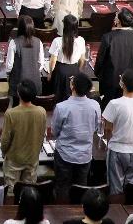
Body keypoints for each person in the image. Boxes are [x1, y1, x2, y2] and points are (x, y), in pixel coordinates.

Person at [50, 73, 102, 201]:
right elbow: (96, 127)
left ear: (72, 86)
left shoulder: (62, 107)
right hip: (85, 155)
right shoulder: (95, 105)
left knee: (62, 187)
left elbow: (54, 132)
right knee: (81, 188)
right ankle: (79, 210)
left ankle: (62, 210)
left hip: (64, 154)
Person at [1, 81, 48, 189]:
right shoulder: (41, 112)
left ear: (18, 93)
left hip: (14, 159)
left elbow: (5, 140)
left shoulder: (11, 113)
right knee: (29, 191)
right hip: (32, 158)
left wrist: (4, 152)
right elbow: (42, 134)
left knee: (11, 192)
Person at [97, 7, 133, 102]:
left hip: (109, 81)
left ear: (118, 21)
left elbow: (100, 61)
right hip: (128, 81)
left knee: (107, 106)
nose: (114, 17)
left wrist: (99, 75)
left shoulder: (108, 37)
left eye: (116, 16)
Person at [4, 15, 46, 105]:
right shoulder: (38, 42)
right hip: (34, 81)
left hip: (18, 82)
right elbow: (41, 64)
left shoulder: (14, 42)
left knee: (17, 106)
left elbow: (9, 66)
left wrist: (8, 75)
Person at [48, 14, 86, 102]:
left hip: (60, 71)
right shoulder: (81, 40)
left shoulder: (57, 41)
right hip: (74, 69)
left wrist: (50, 73)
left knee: (58, 97)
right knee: (73, 96)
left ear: (65, 26)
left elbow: (53, 61)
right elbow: (82, 60)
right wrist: (79, 70)